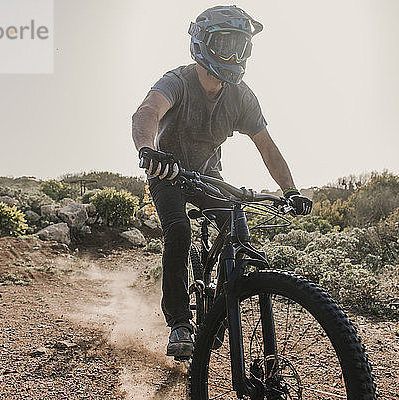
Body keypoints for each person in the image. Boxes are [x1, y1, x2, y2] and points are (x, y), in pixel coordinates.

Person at [131, 5, 313, 358]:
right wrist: (147, 151)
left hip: (209, 177)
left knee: (238, 227)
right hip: (167, 173)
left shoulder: (241, 96)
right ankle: (181, 322)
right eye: (226, 44)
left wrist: (291, 190)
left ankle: (221, 304)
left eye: (242, 47)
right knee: (179, 231)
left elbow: (267, 147)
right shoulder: (177, 81)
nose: (234, 55)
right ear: (203, 43)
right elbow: (147, 111)